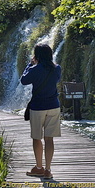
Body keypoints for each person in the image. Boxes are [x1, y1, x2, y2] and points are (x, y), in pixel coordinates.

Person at [21, 43, 61, 179]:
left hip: (38, 107)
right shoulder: (57, 68)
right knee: (49, 139)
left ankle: (39, 168)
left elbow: (24, 80)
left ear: (36, 55)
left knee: (37, 138)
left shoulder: (35, 69)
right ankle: (48, 170)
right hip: (54, 106)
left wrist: (29, 65)